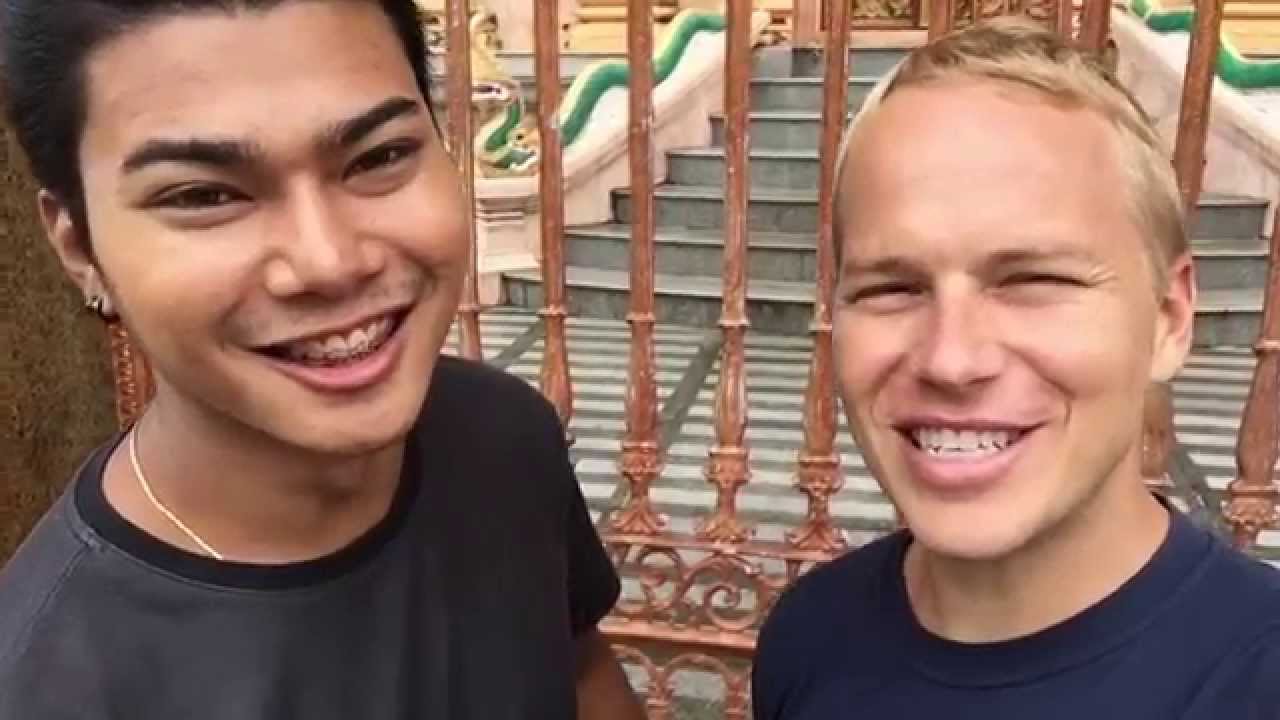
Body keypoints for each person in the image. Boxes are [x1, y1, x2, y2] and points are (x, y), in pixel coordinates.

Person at [0, 2, 644, 718]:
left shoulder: (504, 436)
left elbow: (582, 672)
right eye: (203, 195)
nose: (329, 262)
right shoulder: (48, 683)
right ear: (78, 247)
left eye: (378, 157)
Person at [752, 18, 1280, 719]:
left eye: (1035, 280)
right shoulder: (810, 633)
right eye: (892, 288)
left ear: (1169, 317)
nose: (951, 359)